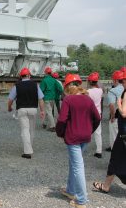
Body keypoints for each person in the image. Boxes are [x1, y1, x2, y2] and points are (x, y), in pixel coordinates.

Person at [56, 73, 101, 208]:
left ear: (68, 87)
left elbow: (62, 119)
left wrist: (60, 132)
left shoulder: (68, 100)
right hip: (85, 137)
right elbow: (97, 118)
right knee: (74, 164)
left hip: (73, 138)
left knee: (77, 167)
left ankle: (81, 200)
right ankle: (70, 190)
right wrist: (90, 130)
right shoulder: (88, 99)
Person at [92, 71, 126, 193]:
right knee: (116, 157)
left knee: (115, 156)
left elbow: (122, 112)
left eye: (123, 81)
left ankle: (107, 185)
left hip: (123, 131)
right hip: (123, 131)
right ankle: (106, 185)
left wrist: (118, 105)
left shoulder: (118, 92)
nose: (122, 83)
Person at [8, 67, 45, 159]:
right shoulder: (35, 85)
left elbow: (10, 99)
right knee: (31, 129)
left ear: (21, 76)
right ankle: (29, 147)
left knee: (25, 130)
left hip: (22, 109)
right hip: (33, 109)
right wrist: (42, 110)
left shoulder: (17, 86)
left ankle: (27, 152)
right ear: (29, 75)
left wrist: (9, 107)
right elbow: (41, 99)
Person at [40, 67, 63, 132]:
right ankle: (44, 123)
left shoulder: (44, 80)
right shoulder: (54, 80)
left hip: (46, 98)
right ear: (51, 73)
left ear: (45, 73)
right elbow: (60, 89)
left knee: (49, 111)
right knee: (49, 111)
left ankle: (53, 126)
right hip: (53, 98)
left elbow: (41, 90)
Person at [106, 70, 124, 152]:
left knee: (114, 138)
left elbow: (112, 105)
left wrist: (112, 116)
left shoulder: (112, 91)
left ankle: (114, 160)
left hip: (117, 117)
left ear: (116, 80)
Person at [87, 72, 103, 158]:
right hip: (98, 113)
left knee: (86, 131)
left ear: (89, 81)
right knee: (98, 132)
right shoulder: (100, 90)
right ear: (97, 81)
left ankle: (81, 147)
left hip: (89, 114)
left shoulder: (88, 91)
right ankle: (99, 151)